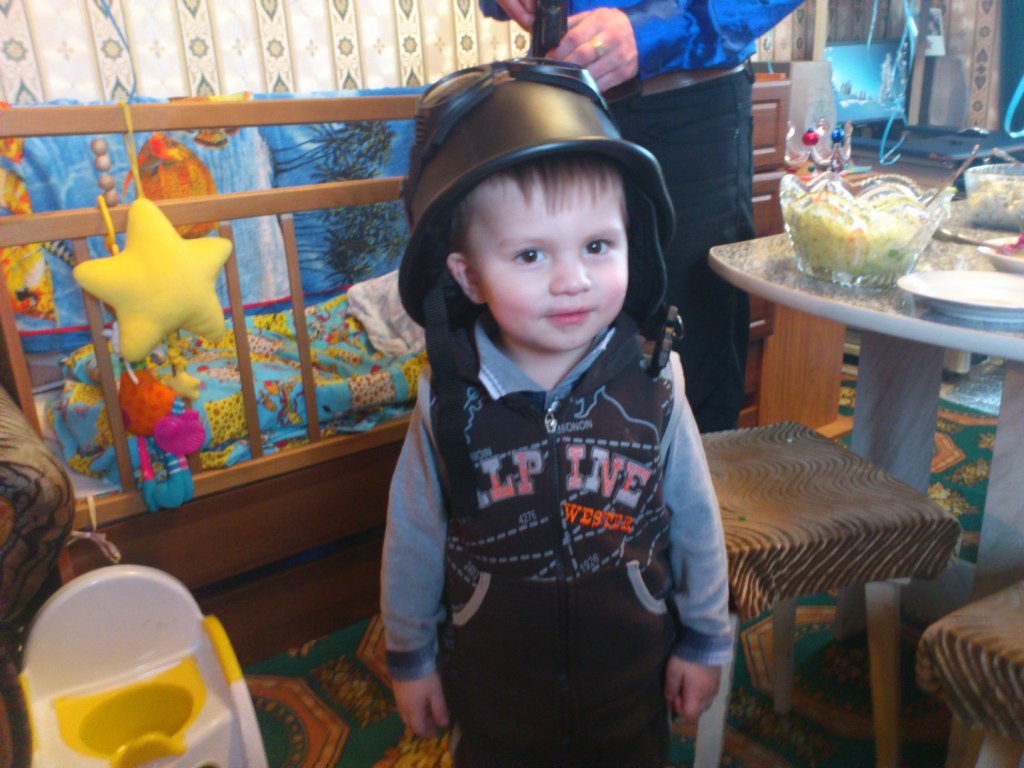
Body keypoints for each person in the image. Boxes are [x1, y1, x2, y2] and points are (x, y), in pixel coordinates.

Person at [381, 59, 731, 767]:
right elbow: (413, 534)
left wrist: (704, 637)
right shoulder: (449, 398)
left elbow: (696, 517)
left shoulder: (655, 380)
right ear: (468, 276)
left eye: (597, 246)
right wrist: (411, 656)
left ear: (632, 242)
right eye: (531, 254)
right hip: (496, 696)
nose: (572, 280)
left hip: (629, 685)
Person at [480, 0, 804, 432]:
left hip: (685, 107)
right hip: (562, 101)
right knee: (560, 370)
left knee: (695, 373)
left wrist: (655, 31)